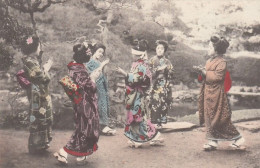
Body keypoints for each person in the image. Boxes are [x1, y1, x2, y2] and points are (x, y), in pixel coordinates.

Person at [54, 43, 108, 165]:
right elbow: (89, 86)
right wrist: (93, 78)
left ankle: (79, 155)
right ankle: (65, 152)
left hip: (80, 101)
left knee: (83, 127)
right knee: (85, 128)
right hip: (85, 102)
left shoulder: (74, 66)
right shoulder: (78, 69)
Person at [194, 35, 245, 151]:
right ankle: (212, 141)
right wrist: (201, 72)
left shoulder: (222, 62)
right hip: (207, 92)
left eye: (209, 47)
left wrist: (204, 72)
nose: (208, 49)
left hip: (217, 94)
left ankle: (238, 138)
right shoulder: (208, 61)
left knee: (220, 117)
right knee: (208, 116)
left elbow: (217, 77)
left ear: (216, 50)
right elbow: (204, 77)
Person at [116, 39, 164, 148]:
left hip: (137, 94)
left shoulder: (142, 65)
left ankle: (143, 137)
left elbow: (136, 79)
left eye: (133, 54)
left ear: (138, 55)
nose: (132, 56)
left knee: (138, 116)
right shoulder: (136, 64)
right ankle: (135, 137)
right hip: (132, 93)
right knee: (133, 116)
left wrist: (124, 73)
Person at [19, 35, 53, 153]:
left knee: (42, 115)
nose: (40, 49)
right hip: (36, 94)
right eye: (38, 47)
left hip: (39, 93)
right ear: (33, 48)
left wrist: (44, 68)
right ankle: (36, 145)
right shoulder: (29, 61)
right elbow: (40, 77)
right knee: (38, 116)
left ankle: (42, 143)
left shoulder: (32, 61)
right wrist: (46, 68)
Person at [85, 43, 116, 135]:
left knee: (103, 103)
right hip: (95, 85)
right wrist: (102, 65)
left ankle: (102, 125)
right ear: (94, 51)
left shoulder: (98, 62)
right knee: (98, 104)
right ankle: (101, 126)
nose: (101, 54)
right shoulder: (90, 62)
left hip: (102, 85)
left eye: (102, 52)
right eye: (99, 51)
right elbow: (93, 75)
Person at [148, 40, 174, 127]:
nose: (159, 50)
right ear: (155, 49)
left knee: (163, 102)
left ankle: (160, 123)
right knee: (154, 102)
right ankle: (153, 122)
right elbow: (148, 73)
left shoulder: (167, 61)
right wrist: (157, 70)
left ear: (164, 50)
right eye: (158, 48)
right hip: (154, 85)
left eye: (162, 49)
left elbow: (172, 72)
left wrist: (167, 70)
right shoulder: (151, 60)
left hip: (164, 85)